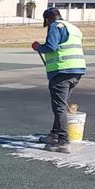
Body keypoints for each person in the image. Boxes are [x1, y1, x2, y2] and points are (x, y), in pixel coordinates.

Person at [32, 8, 86, 153]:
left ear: (48, 18)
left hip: (62, 71)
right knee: (61, 104)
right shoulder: (72, 27)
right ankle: (55, 134)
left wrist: (38, 47)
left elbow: (51, 47)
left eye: (46, 21)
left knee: (59, 107)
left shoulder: (56, 26)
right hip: (77, 70)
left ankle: (63, 140)